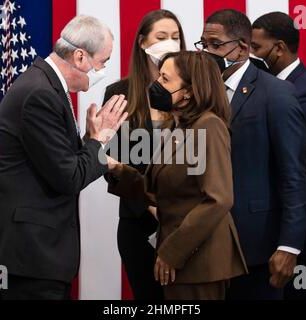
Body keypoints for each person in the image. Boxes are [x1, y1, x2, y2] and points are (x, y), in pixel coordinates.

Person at [0, 15, 128, 300]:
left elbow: (56, 160)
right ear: (80, 56)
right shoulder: (40, 94)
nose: (103, 70)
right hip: (28, 257)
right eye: (103, 62)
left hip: (31, 255)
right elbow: (68, 177)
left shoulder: (45, 85)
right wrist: (100, 140)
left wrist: (89, 142)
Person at [107, 51, 247, 300]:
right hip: (180, 257)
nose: (156, 85)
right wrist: (115, 168)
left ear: (189, 91)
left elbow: (218, 199)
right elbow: (160, 191)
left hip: (200, 263)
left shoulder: (208, 126)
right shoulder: (178, 125)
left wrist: (172, 252)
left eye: (165, 80)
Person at [197, 9, 306, 299]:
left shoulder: (277, 94)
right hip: (205, 245)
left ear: (243, 48)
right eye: (203, 44)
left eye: (216, 45)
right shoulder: (200, 94)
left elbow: (294, 174)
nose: (207, 52)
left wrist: (289, 246)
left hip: (257, 247)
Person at [102, 10, 186, 300]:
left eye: (176, 38)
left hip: (187, 227)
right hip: (138, 226)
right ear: (142, 43)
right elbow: (112, 164)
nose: (170, 44)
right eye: (161, 37)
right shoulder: (119, 94)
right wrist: (153, 208)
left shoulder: (193, 92)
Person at [251, 12, 306, 300]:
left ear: (280, 48)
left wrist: (262, 173)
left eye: (257, 48)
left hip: (300, 235)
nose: (251, 55)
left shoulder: (304, 93)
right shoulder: (268, 88)